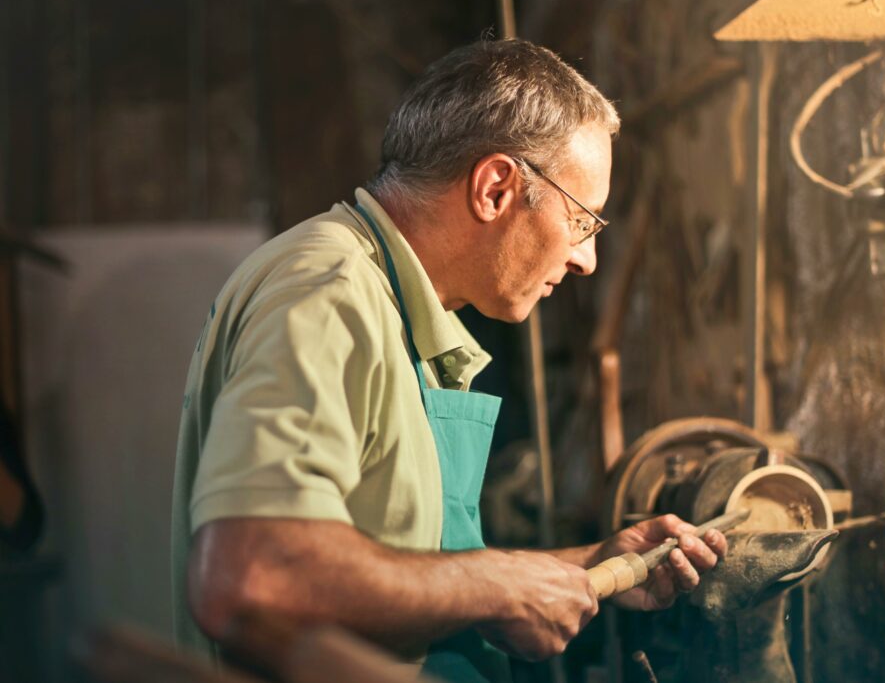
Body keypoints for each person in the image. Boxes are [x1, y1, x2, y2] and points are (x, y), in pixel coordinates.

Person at [170, 39, 727, 682]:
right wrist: (498, 587)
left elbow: (393, 563)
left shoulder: (390, 299)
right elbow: (250, 575)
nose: (585, 259)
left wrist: (585, 568)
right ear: (496, 188)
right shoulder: (328, 295)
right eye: (582, 221)